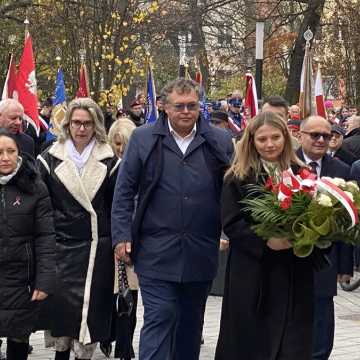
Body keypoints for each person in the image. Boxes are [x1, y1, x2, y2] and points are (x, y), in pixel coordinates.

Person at [112, 78, 233, 360]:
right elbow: (124, 190)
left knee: (190, 325)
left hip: (200, 250)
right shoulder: (143, 139)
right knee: (160, 315)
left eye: (192, 105)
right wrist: (121, 236)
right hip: (155, 250)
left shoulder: (219, 140)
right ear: (164, 106)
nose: (186, 111)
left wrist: (227, 231)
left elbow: (231, 190)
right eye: (179, 106)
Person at [215, 111, 318, 360]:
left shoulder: (302, 173)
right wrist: (267, 241)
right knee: (251, 342)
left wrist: (306, 236)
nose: (270, 144)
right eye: (262, 139)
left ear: (286, 138)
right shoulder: (237, 176)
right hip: (252, 272)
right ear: (251, 141)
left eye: (275, 137)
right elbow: (232, 221)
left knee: (290, 342)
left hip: (293, 269)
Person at [36, 98, 120, 360]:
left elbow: (117, 205)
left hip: (97, 248)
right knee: (62, 313)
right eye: (76, 123)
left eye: (87, 123)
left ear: (96, 125)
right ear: (67, 124)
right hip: (60, 246)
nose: (81, 129)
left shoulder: (110, 160)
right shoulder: (49, 158)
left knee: (90, 314)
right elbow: (42, 205)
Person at [296, 116, 353, 360]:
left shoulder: (341, 170)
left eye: (326, 136)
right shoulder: (285, 163)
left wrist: (345, 266)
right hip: (289, 259)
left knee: (321, 330)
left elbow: (349, 220)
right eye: (315, 135)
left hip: (326, 263)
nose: (321, 140)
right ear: (300, 135)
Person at [0, 129, 55, 360]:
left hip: (21, 279)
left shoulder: (34, 187)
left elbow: (45, 236)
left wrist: (44, 280)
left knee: (18, 338)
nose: (4, 157)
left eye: (10, 151)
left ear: (19, 153)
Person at [100, 116, 138, 359]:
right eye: (117, 144)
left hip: (134, 242)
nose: (121, 149)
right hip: (110, 241)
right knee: (111, 296)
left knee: (129, 298)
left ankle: (125, 346)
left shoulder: (139, 167)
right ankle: (109, 336)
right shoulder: (107, 169)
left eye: (125, 143)